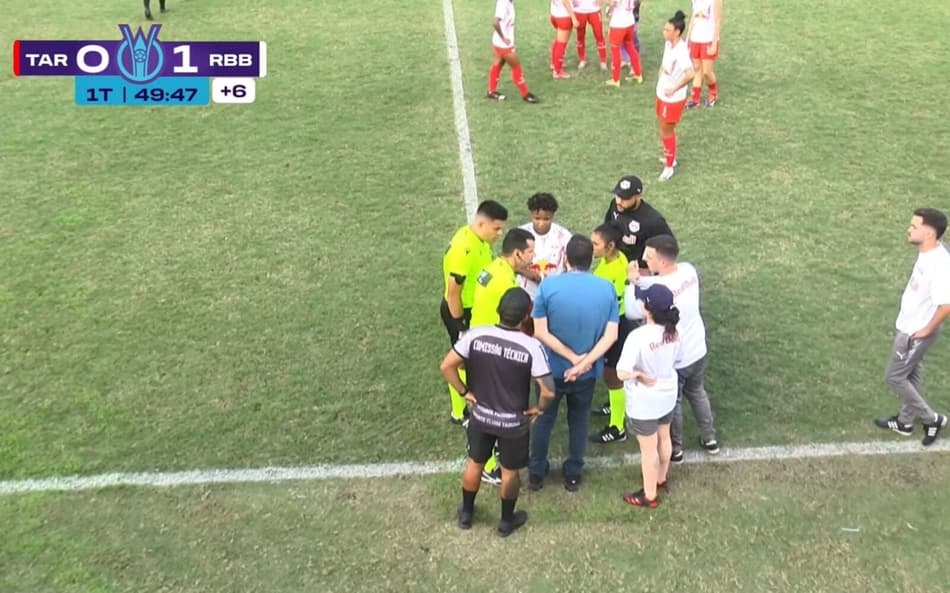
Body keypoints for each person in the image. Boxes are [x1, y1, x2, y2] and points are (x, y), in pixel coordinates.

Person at [441, 288, 555, 537]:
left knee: (475, 463)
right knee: (509, 471)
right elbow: (548, 391)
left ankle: (466, 514)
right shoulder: (531, 346)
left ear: (499, 309)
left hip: (480, 417)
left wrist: (463, 392)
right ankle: (505, 521)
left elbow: (447, 365)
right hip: (513, 423)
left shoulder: (475, 336)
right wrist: (540, 409)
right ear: (527, 315)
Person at [528, 235, 619, 492]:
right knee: (579, 420)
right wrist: (583, 363)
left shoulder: (548, 287)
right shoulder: (606, 288)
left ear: (565, 258)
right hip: (586, 374)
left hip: (551, 371)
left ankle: (536, 472)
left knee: (544, 419)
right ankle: (574, 473)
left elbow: (540, 332)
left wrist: (571, 359)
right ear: (591, 260)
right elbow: (610, 335)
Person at [627, 234, 719, 463]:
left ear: (662, 261)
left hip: (676, 358)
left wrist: (632, 281)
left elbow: (631, 311)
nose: (645, 260)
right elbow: (661, 281)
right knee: (698, 392)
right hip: (698, 349)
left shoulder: (658, 288)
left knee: (674, 403)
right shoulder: (688, 270)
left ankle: (676, 448)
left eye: (649, 257)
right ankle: (709, 438)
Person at [875, 208, 950, 446]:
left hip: (915, 332)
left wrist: (925, 331)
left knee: (895, 377)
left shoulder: (939, 265)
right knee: (910, 374)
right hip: (909, 325)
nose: (909, 229)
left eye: (914, 226)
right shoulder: (928, 251)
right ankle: (905, 422)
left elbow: (946, 304)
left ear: (928, 233)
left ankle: (932, 418)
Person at [470, 228, 536, 484]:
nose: (533, 256)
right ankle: (486, 465)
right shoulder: (506, 284)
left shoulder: (495, 267)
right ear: (517, 253)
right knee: (490, 404)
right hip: (491, 349)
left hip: (478, 339)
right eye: (530, 252)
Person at [441, 200, 508, 426]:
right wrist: (460, 325)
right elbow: (453, 293)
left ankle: (459, 411)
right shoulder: (464, 249)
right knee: (462, 360)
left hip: (469, 308)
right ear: (481, 224)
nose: (500, 233)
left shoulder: (478, 239)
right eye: (496, 228)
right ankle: (462, 412)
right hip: (459, 310)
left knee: (465, 359)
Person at [617, 283, 681, 508]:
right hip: (667, 393)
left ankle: (649, 495)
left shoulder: (638, 336)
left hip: (645, 400)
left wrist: (640, 375)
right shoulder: (674, 332)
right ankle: (661, 478)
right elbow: (677, 360)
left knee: (648, 449)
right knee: (665, 436)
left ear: (646, 309)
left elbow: (622, 372)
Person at [589, 224, 632, 443]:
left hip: (614, 326)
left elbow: (605, 305)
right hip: (618, 322)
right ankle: (615, 406)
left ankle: (618, 427)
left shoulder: (610, 272)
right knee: (611, 374)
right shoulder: (618, 259)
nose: (592, 247)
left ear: (611, 246)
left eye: (596, 244)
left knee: (612, 375)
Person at [604, 174, 675, 271]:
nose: (619, 201)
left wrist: (648, 268)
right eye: (617, 196)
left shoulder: (653, 220)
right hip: (616, 260)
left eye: (625, 198)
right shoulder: (615, 205)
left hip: (640, 270)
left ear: (638, 196)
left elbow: (670, 246)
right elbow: (607, 227)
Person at [656, 11, 695, 181]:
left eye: (667, 30)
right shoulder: (669, 44)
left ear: (677, 32)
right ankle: (670, 157)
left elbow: (690, 73)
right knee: (663, 128)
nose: (664, 32)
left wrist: (674, 88)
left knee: (667, 130)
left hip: (673, 98)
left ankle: (669, 166)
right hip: (662, 93)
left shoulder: (681, 51)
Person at [517, 193, 572, 301]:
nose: (541, 223)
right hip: (527, 295)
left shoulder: (564, 236)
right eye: (537, 218)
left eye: (546, 219)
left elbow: (571, 267)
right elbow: (512, 263)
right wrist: (535, 277)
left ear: (553, 216)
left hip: (555, 295)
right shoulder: (520, 234)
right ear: (530, 214)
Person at [488, 0, 541, 103]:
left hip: (500, 42)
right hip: (503, 44)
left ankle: (491, 91)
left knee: (498, 64)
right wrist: (503, 38)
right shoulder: (504, 3)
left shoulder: (508, 2)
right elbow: (495, 22)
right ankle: (525, 94)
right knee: (516, 66)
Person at [685, 0, 722, 109]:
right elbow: (693, 16)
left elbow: (718, 20)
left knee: (706, 72)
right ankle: (695, 98)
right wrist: (688, 38)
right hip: (695, 38)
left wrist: (714, 43)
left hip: (708, 39)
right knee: (697, 68)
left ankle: (713, 93)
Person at [604, 0, 643, 87]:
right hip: (630, 20)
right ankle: (638, 74)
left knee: (615, 50)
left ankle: (615, 79)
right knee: (630, 47)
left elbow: (612, 3)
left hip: (618, 23)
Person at [573, 0, 607, 71]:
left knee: (599, 35)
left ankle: (603, 61)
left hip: (594, 10)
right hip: (579, 11)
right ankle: (582, 59)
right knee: (580, 36)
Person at [550, 0, 579, 79]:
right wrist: (573, 18)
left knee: (558, 40)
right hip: (564, 16)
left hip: (554, 14)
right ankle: (557, 71)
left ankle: (554, 63)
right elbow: (565, 1)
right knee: (562, 44)